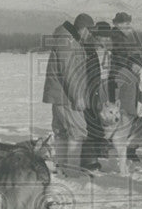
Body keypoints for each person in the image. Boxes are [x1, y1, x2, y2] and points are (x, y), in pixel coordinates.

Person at [42, 12, 95, 171]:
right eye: (90, 31)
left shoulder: (67, 39)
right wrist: (77, 96)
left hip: (60, 95)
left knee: (62, 132)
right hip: (66, 96)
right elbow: (68, 71)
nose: (90, 35)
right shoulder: (67, 41)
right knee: (77, 131)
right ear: (83, 29)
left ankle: (64, 168)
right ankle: (71, 170)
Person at [81, 21, 114, 170]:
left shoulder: (109, 53)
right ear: (96, 36)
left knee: (103, 123)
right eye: (103, 37)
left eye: (108, 38)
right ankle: (89, 160)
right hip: (91, 89)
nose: (106, 40)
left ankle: (99, 153)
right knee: (91, 123)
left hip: (105, 88)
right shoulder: (87, 51)